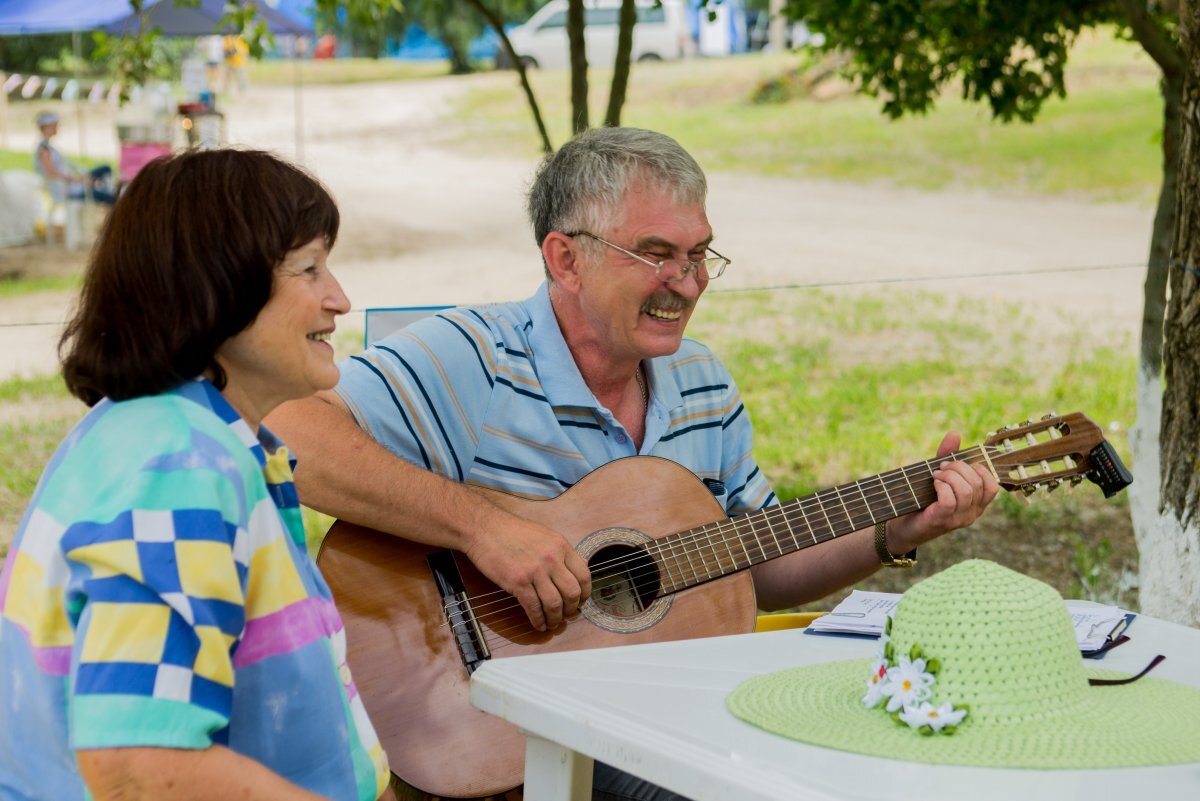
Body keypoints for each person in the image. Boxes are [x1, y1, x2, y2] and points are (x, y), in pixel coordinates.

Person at [266, 127, 999, 800]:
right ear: (565, 258)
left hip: (658, 720)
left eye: (699, 253)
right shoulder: (475, 357)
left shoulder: (702, 381)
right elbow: (280, 429)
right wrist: (483, 528)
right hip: (499, 727)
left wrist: (892, 530)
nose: (688, 282)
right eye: (656, 254)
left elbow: (758, 564)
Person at [0, 150, 394, 801]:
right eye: (309, 268)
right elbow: (138, 763)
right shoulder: (177, 464)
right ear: (219, 286)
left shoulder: (186, 436)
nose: (340, 298)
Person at [33, 111, 117, 207]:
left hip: (73, 184)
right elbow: (51, 173)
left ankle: (105, 189)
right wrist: (80, 180)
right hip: (69, 189)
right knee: (111, 198)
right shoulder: (44, 149)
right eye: (54, 125)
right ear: (46, 128)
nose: (57, 128)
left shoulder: (48, 147)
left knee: (105, 169)